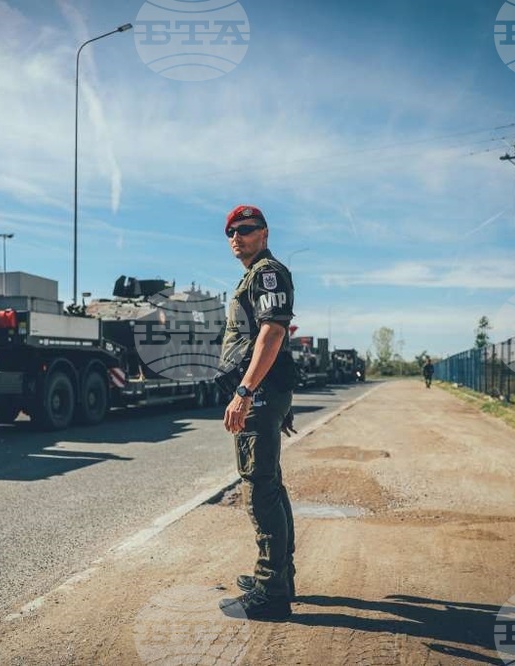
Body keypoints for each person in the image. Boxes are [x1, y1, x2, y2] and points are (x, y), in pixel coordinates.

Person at [216, 204, 297, 621]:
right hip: (267, 392)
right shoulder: (254, 275)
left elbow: (273, 331)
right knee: (271, 485)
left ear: (264, 233)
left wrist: (245, 392)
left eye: (246, 229)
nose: (237, 237)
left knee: (261, 489)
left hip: (259, 393)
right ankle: (279, 576)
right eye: (231, 232)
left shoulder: (268, 273)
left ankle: (271, 593)